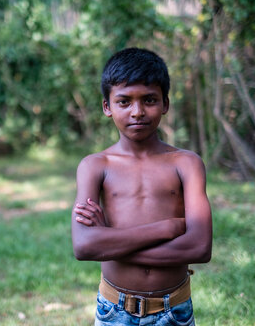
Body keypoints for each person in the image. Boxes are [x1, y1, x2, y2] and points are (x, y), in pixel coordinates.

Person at [71, 48, 212, 326]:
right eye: (124, 102)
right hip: (114, 310)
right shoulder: (95, 166)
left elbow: (199, 247)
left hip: (173, 309)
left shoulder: (186, 164)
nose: (137, 112)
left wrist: (110, 241)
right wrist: (166, 229)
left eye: (149, 100)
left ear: (165, 104)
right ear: (107, 107)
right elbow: (85, 246)